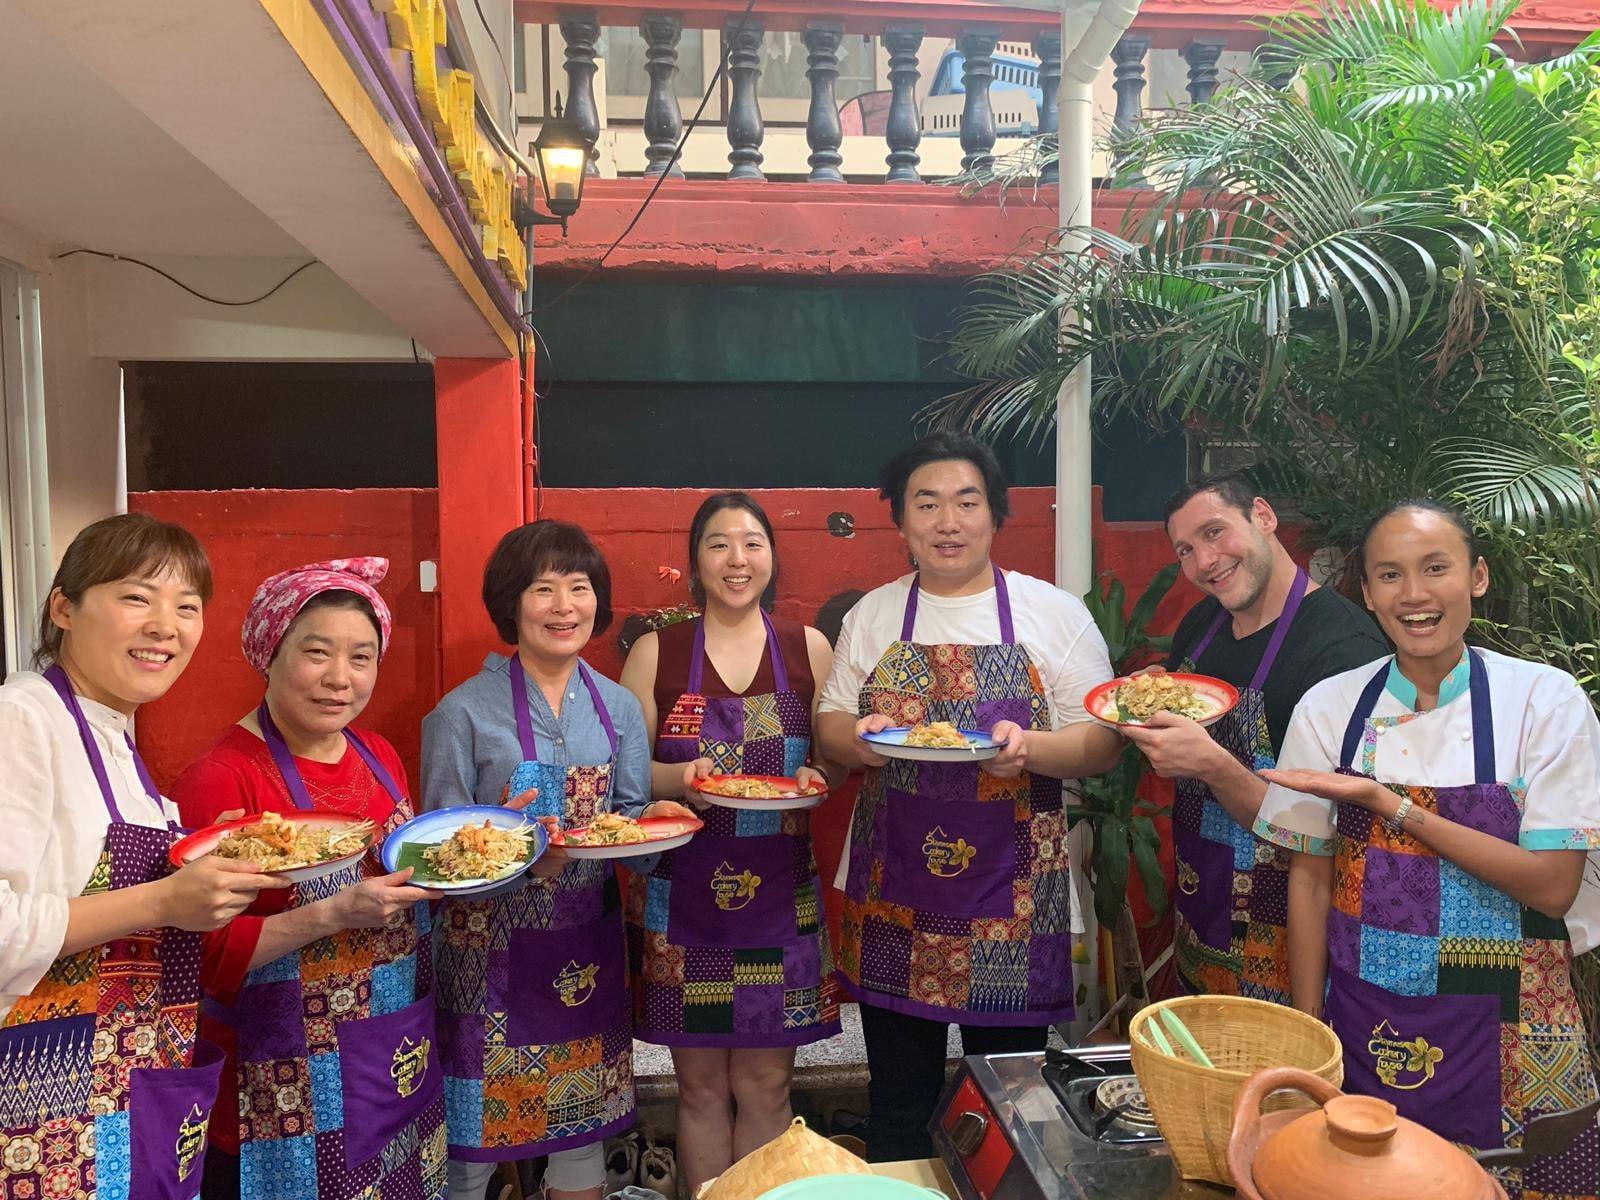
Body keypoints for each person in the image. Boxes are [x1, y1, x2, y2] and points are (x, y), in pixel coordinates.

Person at [1256, 499, 1599, 1195]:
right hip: (1365, 1022)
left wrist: (1393, 806)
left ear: (1476, 577)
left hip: (1519, 1023)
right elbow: (1310, 881)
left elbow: (1553, 886)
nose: (1414, 594)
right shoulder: (1330, 708)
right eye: (1389, 575)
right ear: (1369, 593)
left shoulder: (1543, 701)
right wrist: (1307, 1035)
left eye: (1435, 568)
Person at [815, 432, 1123, 1162]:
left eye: (965, 501)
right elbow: (829, 724)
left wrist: (1031, 749)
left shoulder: (1052, 613)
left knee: (1010, 1109)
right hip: (896, 896)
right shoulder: (873, 615)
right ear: (901, 522)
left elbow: (1102, 741)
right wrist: (857, 738)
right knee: (897, 1106)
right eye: (927, 504)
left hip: (1015, 903)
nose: (947, 521)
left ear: (995, 516)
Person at [0, 513, 287, 1198]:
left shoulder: (111, 731)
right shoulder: (23, 719)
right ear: (63, 607)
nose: (167, 625)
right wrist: (163, 899)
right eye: (137, 597)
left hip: (125, 1097)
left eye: (187, 607)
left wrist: (204, 858)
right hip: (41, 1110)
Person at [421, 521, 693, 1200]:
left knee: (581, 1139)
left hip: (582, 950)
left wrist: (653, 827)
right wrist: (519, 860)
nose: (564, 606)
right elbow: (437, 860)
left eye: (579, 588)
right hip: (484, 958)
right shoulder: (460, 714)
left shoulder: (621, 707)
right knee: (470, 1149)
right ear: (511, 603)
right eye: (544, 589)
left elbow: (626, 820)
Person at [172, 558, 442, 1200]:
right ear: (270, 652)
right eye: (316, 653)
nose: (339, 679)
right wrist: (329, 915)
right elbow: (199, 955)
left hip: (388, 1050)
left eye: (361, 657)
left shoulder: (376, 754)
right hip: (280, 1075)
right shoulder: (224, 776)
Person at [619, 492, 842, 1196]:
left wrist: (819, 772)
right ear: (695, 561)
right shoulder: (658, 651)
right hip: (684, 898)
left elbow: (835, 757)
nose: (736, 559)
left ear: (772, 557)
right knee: (700, 1090)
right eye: (718, 544)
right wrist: (679, 776)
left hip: (782, 897)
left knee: (767, 1085)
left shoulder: (809, 648)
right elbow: (625, 774)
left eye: (751, 543)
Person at [1121, 476, 1387, 1001]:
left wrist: (1212, 764)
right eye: (1186, 550)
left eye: (1215, 532)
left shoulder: (1344, 650)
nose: (1204, 561)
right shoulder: (1203, 623)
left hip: (1291, 934)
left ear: (1263, 516)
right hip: (1204, 912)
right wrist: (1149, 702)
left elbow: (1333, 832)